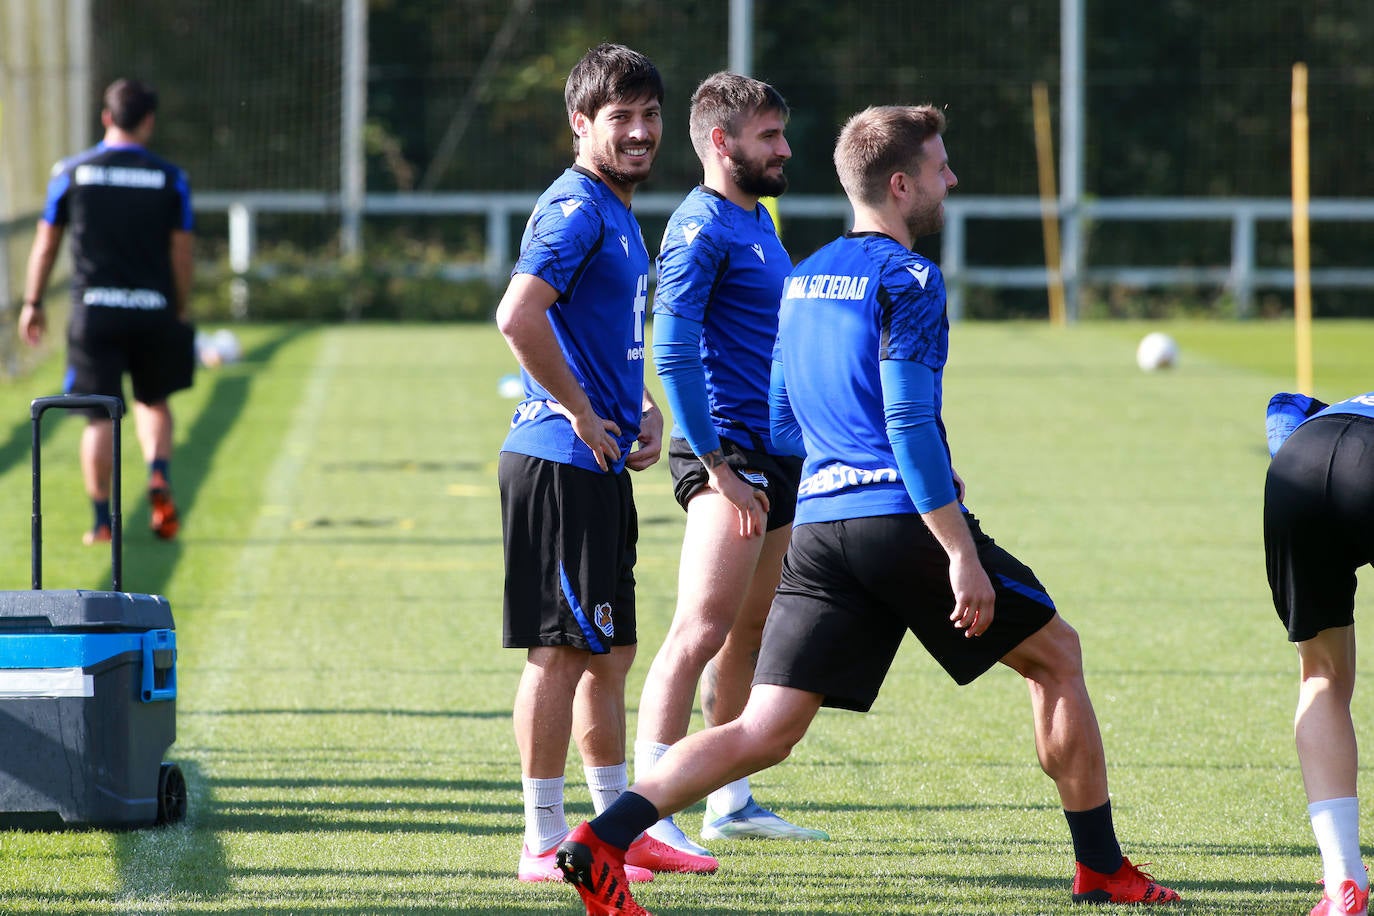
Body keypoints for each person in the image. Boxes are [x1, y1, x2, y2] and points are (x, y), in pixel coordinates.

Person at [555, 104, 1180, 915]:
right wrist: (957, 550)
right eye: (940, 168)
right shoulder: (909, 277)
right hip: (900, 521)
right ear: (899, 183)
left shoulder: (802, 273)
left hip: (817, 524)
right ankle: (1102, 869)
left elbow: (782, 420)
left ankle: (601, 838)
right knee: (1057, 656)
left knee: (766, 731)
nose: (951, 180)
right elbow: (910, 422)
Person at [494, 42, 714, 886]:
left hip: (599, 460)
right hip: (557, 460)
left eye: (650, 116)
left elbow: (600, 336)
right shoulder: (578, 208)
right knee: (556, 653)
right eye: (619, 117)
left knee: (609, 653)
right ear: (581, 124)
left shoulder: (617, 210)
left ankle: (616, 825)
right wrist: (584, 414)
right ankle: (542, 842)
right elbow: (519, 315)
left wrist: (642, 410)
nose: (639, 132)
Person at [635, 71, 825, 860]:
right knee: (698, 629)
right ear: (722, 142)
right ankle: (646, 810)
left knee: (751, 627)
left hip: (776, 454)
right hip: (727, 451)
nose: (784, 148)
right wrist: (717, 466)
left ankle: (729, 798)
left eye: (782, 133)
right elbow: (673, 352)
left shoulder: (758, 218)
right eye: (769, 136)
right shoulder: (699, 227)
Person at [18, 77, 194, 544]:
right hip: (152, 308)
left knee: (98, 416)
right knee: (153, 402)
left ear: (106, 117)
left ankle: (101, 521)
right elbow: (182, 251)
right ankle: (157, 471)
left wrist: (33, 302)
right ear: (149, 122)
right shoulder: (169, 177)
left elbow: (46, 244)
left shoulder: (73, 172)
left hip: (95, 311)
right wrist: (179, 304)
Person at [1265, 391, 1374, 916]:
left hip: (1297, 467)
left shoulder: (1343, 404)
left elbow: (1281, 406)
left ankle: (1342, 884)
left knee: (1322, 677)